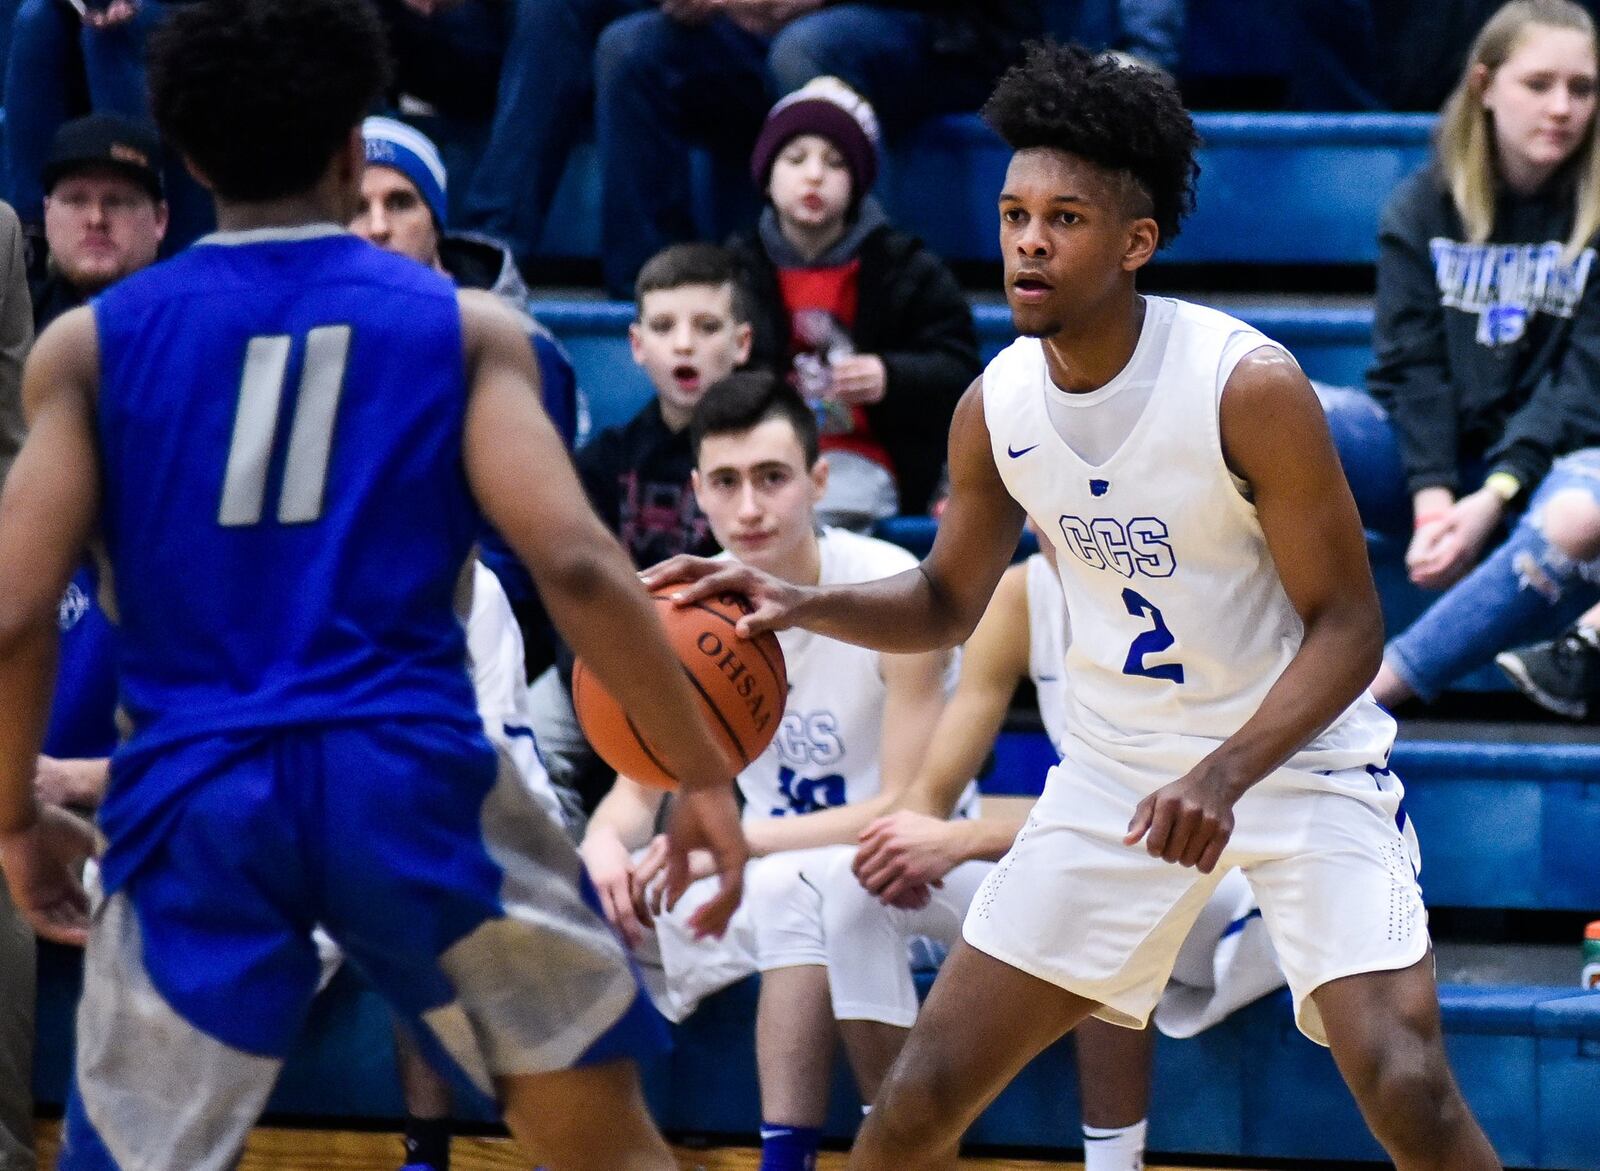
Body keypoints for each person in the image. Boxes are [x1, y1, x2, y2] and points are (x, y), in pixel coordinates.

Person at [647, 42, 1501, 1171]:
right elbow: (948, 598)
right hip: (1112, 782)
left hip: (1294, 771)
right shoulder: (995, 402)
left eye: (1064, 218)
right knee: (912, 1103)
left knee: (1407, 1086)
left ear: (1135, 243)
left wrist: (1225, 773)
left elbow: (1349, 626)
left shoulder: (1245, 386)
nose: (1029, 242)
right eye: (1012, 215)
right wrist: (796, 599)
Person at [0, 3, 749, 1170]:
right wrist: (698, 772)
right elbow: (580, 564)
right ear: (356, 148)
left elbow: (9, 618)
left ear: (186, 158)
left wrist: (10, 813)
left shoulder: (87, 351)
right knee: (602, 1141)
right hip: (410, 777)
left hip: (196, 793)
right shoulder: (465, 330)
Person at [580, 370, 959, 1171]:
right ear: (697, 493)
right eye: (726, 481)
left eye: (771, 478)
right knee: (578, 910)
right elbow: (632, 793)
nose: (749, 507)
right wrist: (603, 848)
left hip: (889, 874)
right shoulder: (680, 607)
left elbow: (902, 803)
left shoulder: (895, 591)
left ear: (818, 480)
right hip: (752, 868)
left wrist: (744, 842)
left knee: (808, 886)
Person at [838, 525, 1285, 1171]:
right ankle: (900, 1148)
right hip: (1103, 865)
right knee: (858, 893)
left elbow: (1164, 818)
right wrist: (902, 843)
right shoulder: (1022, 595)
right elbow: (929, 791)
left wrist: (969, 837)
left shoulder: (1203, 584)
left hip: (1234, 886)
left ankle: (1115, 1164)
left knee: (1089, 892)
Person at [1352, 0, 1600, 709]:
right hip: (1430, 458)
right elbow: (1409, 366)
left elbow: (1583, 387)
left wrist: (1494, 496)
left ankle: (1371, 698)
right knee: (1276, 411)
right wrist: (1434, 504)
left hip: (1549, 468)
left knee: (1586, 507)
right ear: (1485, 85)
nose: (1561, 108)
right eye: (1539, 84)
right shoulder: (1421, 206)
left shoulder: (1597, 212)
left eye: (1581, 89)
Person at [592, 0, 1044, 294]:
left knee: (806, 50)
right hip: (762, 30)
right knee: (631, 50)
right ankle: (658, 295)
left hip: (944, 29)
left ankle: (868, 300)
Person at [353, 115, 585, 677]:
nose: (379, 227)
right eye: (358, 207)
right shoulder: (309, 345)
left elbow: (527, 550)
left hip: (480, 637)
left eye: (401, 202)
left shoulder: (520, 349)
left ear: (436, 218)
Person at [527, 242, 752, 812]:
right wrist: (597, 672)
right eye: (664, 326)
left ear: (741, 343)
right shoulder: (604, 461)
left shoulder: (762, 465)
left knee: (692, 796)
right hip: (604, 659)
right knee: (523, 745)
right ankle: (569, 877)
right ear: (637, 345)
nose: (684, 343)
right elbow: (573, 588)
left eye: (706, 326)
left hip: (718, 661)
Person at [731, 78, 979, 528]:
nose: (814, 175)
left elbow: (959, 369)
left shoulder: (907, 268)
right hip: (757, 456)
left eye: (835, 163)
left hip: (863, 458)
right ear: (766, 177)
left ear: (859, 184)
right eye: (795, 158)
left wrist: (891, 374)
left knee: (810, 519)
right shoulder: (734, 270)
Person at [31, 113, 168, 331]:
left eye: (117, 202)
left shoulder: (194, 324)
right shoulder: (15, 324)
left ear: (160, 220)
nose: (96, 219)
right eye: (76, 201)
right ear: (47, 214)